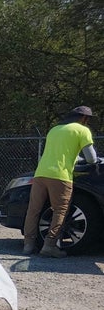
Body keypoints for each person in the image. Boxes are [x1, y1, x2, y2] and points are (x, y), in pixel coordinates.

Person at [23, 105, 99, 258]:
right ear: (84, 118)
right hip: (60, 175)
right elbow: (91, 158)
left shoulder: (55, 130)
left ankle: (28, 245)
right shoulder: (82, 130)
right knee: (60, 210)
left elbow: (60, 153)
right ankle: (50, 245)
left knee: (34, 209)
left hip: (40, 173)